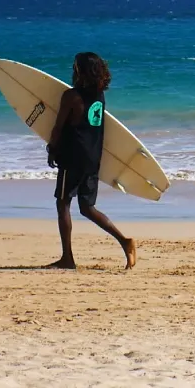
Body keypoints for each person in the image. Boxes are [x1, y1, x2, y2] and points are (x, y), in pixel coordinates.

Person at [46, 52, 136, 270]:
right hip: (93, 158)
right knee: (87, 208)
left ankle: (67, 258)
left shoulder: (71, 96)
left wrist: (52, 148)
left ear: (80, 71)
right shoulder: (99, 96)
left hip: (72, 158)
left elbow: (58, 127)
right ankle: (125, 242)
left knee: (63, 203)